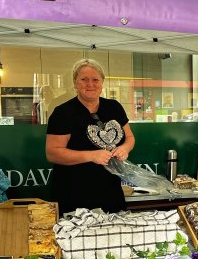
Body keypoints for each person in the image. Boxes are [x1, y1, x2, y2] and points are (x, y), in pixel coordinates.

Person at [46, 58, 135, 215]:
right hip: (74, 194)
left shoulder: (114, 107)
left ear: (102, 82)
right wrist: (91, 155)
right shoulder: (62, 113)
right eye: (84, 79)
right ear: (75, 83)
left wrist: (124, 149)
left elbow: (130, 138)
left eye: (95, 79)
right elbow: (52, 153)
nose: (90, 84)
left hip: (110, 191)